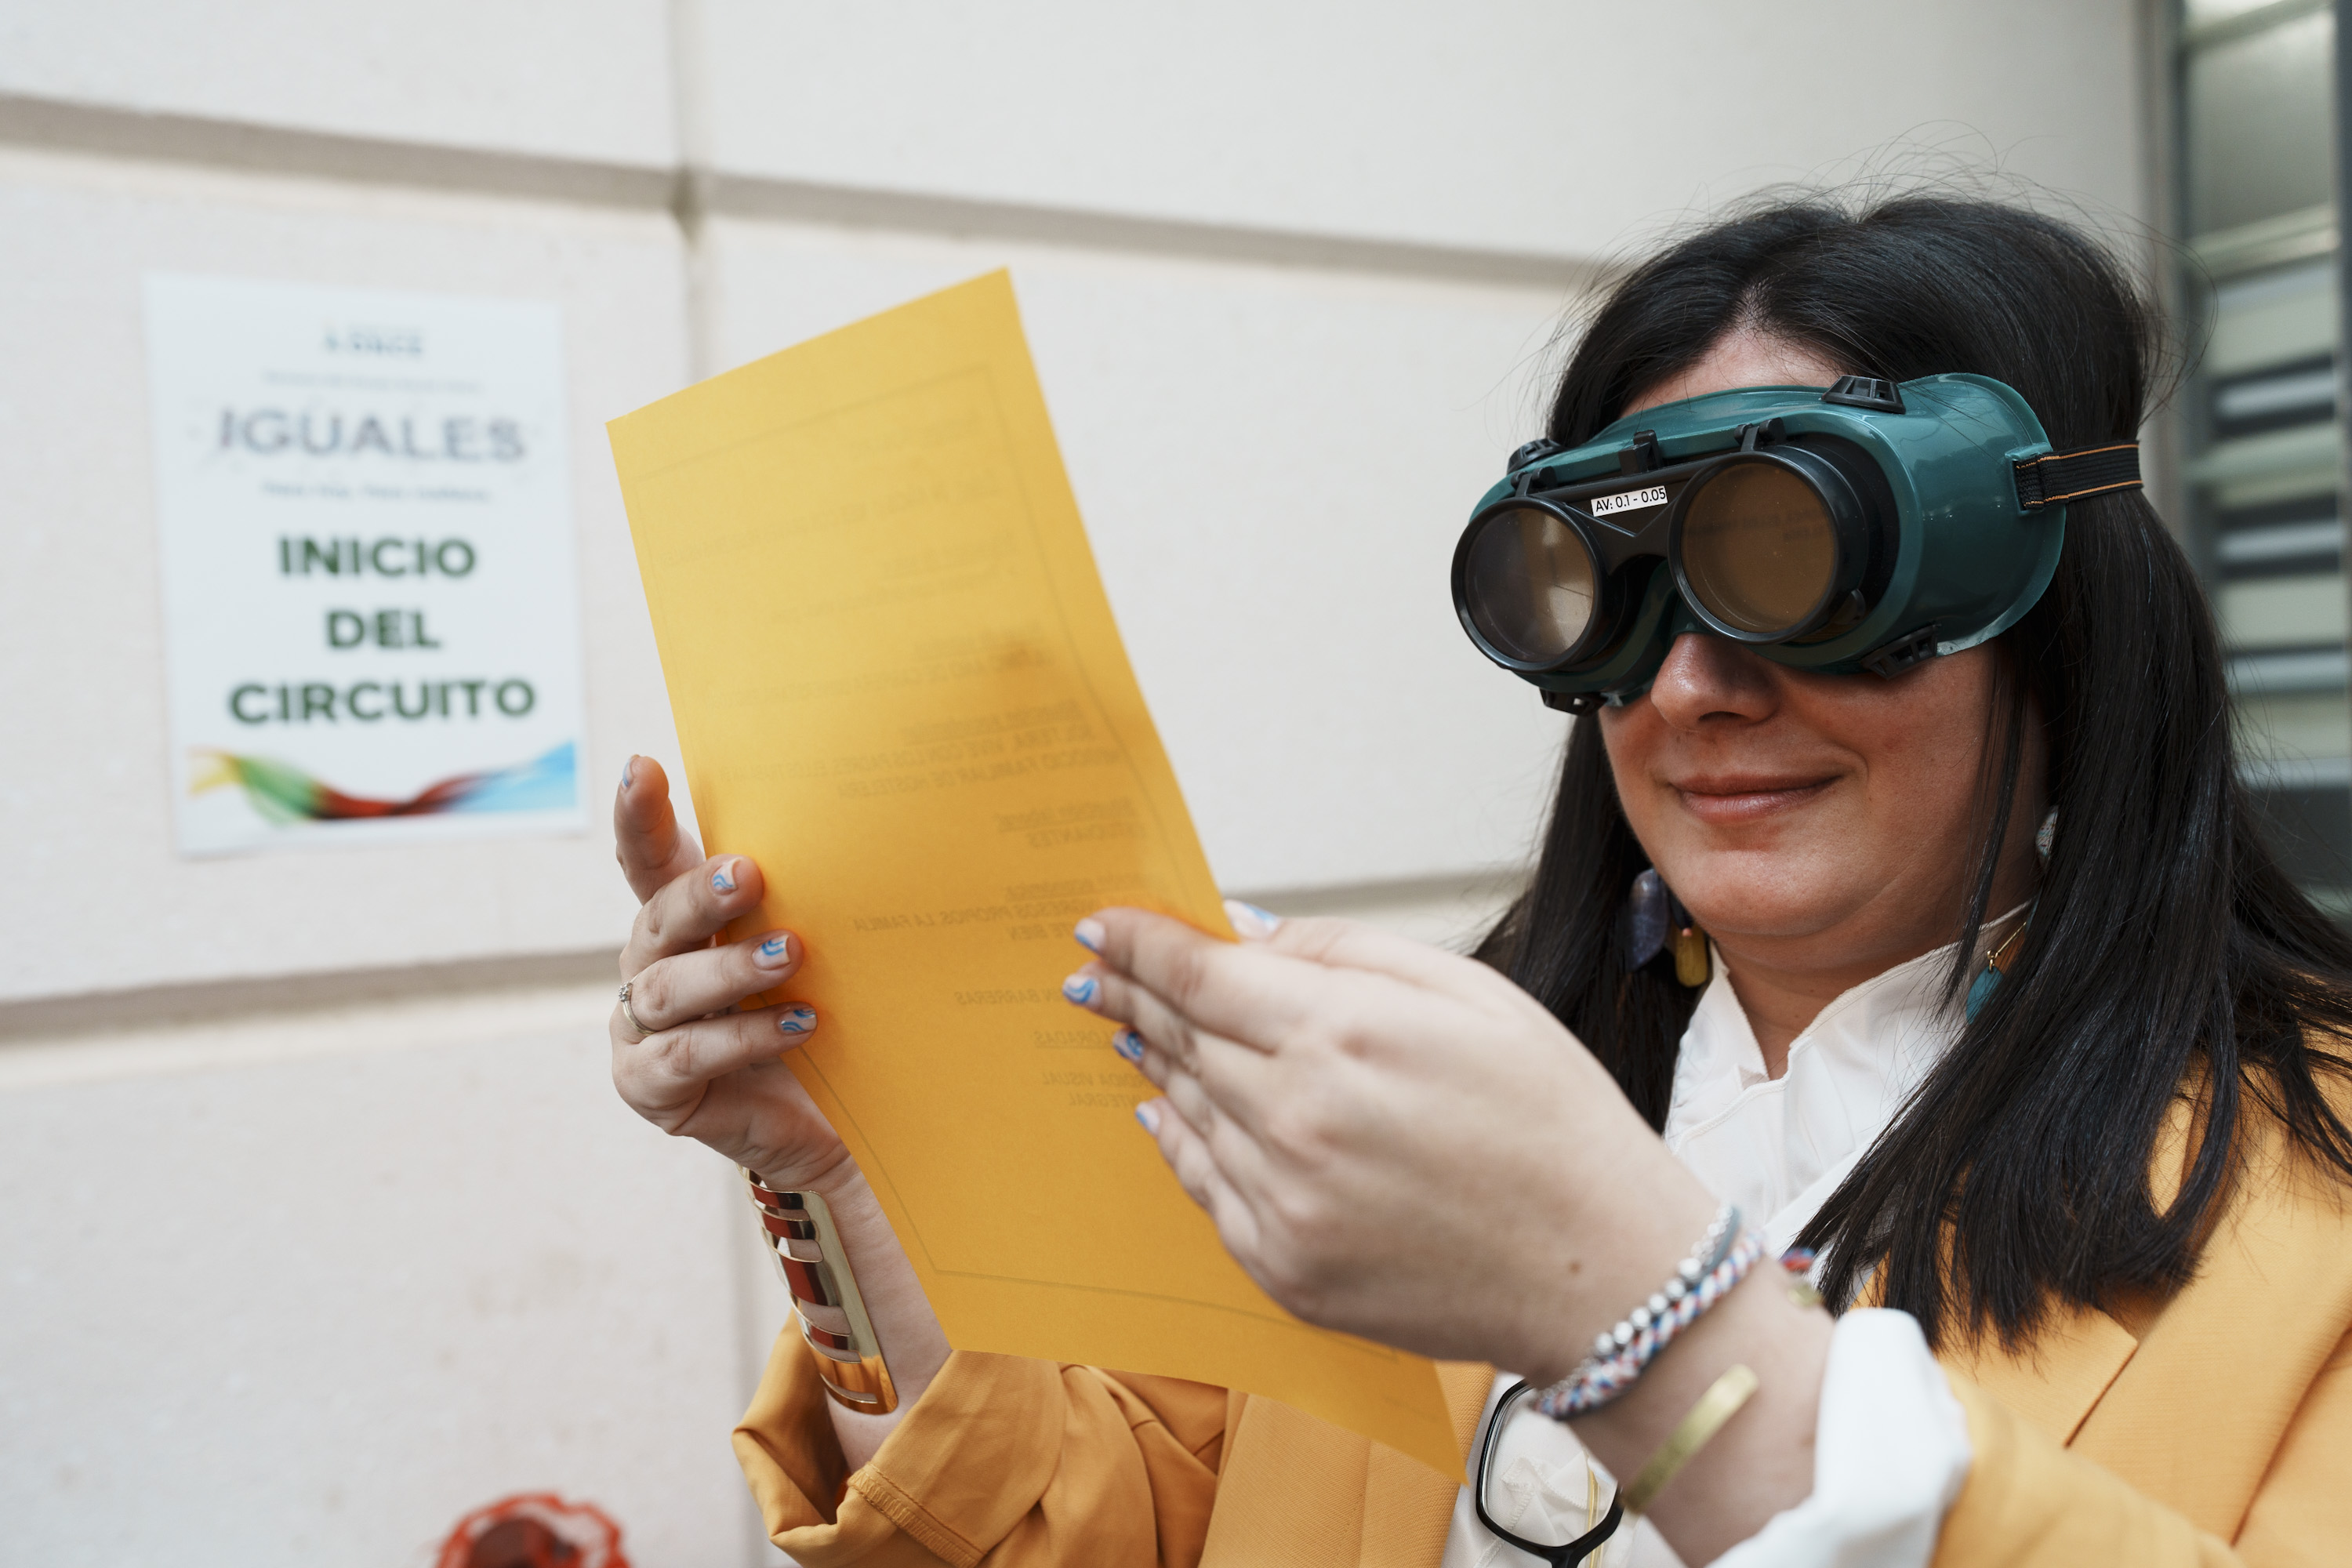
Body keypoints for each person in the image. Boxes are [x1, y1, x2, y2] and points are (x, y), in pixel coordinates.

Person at [607, 194, 2352, 1566]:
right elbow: (1079, 1529)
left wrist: (1634, 1310)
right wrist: (838, 1161)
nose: (1695, 691)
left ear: (2048, 602)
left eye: (1797, 561)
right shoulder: (1421, 1099)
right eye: (1618, 592)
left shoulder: (2313, 1206)